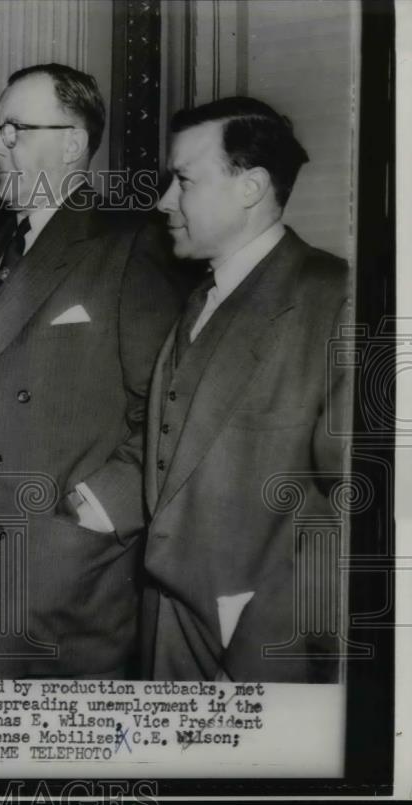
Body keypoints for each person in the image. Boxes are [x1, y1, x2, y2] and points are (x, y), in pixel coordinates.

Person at [0, 63, 181, 679]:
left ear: (73, 141)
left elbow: (171, 411)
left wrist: (100, 509)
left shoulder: (132, 246)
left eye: (15, 130)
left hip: (59, 584)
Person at [140, 97, 350, 682]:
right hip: (166, 628)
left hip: (258, 650)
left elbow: (359, 508)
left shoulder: (341, 301)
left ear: (250, 187)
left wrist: (259, 637)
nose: (164, 202)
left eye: (183, 181)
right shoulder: (199, 298)